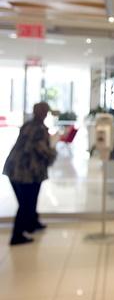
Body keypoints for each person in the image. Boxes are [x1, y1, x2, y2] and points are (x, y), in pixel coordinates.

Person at [2, 102, 57, 245]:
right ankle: (17, 235)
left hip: (16, 169)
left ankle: (32, 223)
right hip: (25, 171)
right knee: (27, 202)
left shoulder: (28, 125)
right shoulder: (38, 129)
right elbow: (42, 151)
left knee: (29, 200)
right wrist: (54, 151)